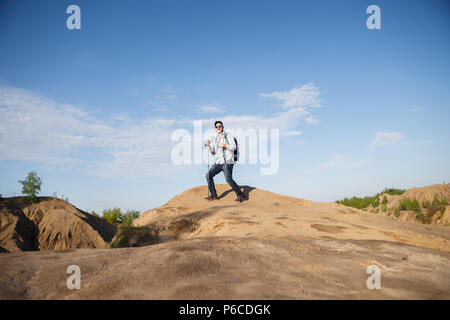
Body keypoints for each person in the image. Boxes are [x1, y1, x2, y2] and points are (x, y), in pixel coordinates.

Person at [205, 121, 248, 202]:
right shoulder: (216, 138)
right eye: (216, 126)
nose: (218, 127)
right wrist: (209, 146)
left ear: (222, 127)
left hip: (227, 161)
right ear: (215, 128)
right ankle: (214, 195)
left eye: (220, 126)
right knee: (208, 175)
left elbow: (234, 147)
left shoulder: (228, 135)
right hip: (219, 162)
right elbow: (214, 152)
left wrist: (225, 145)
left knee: (228, 180)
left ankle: (241, 195)